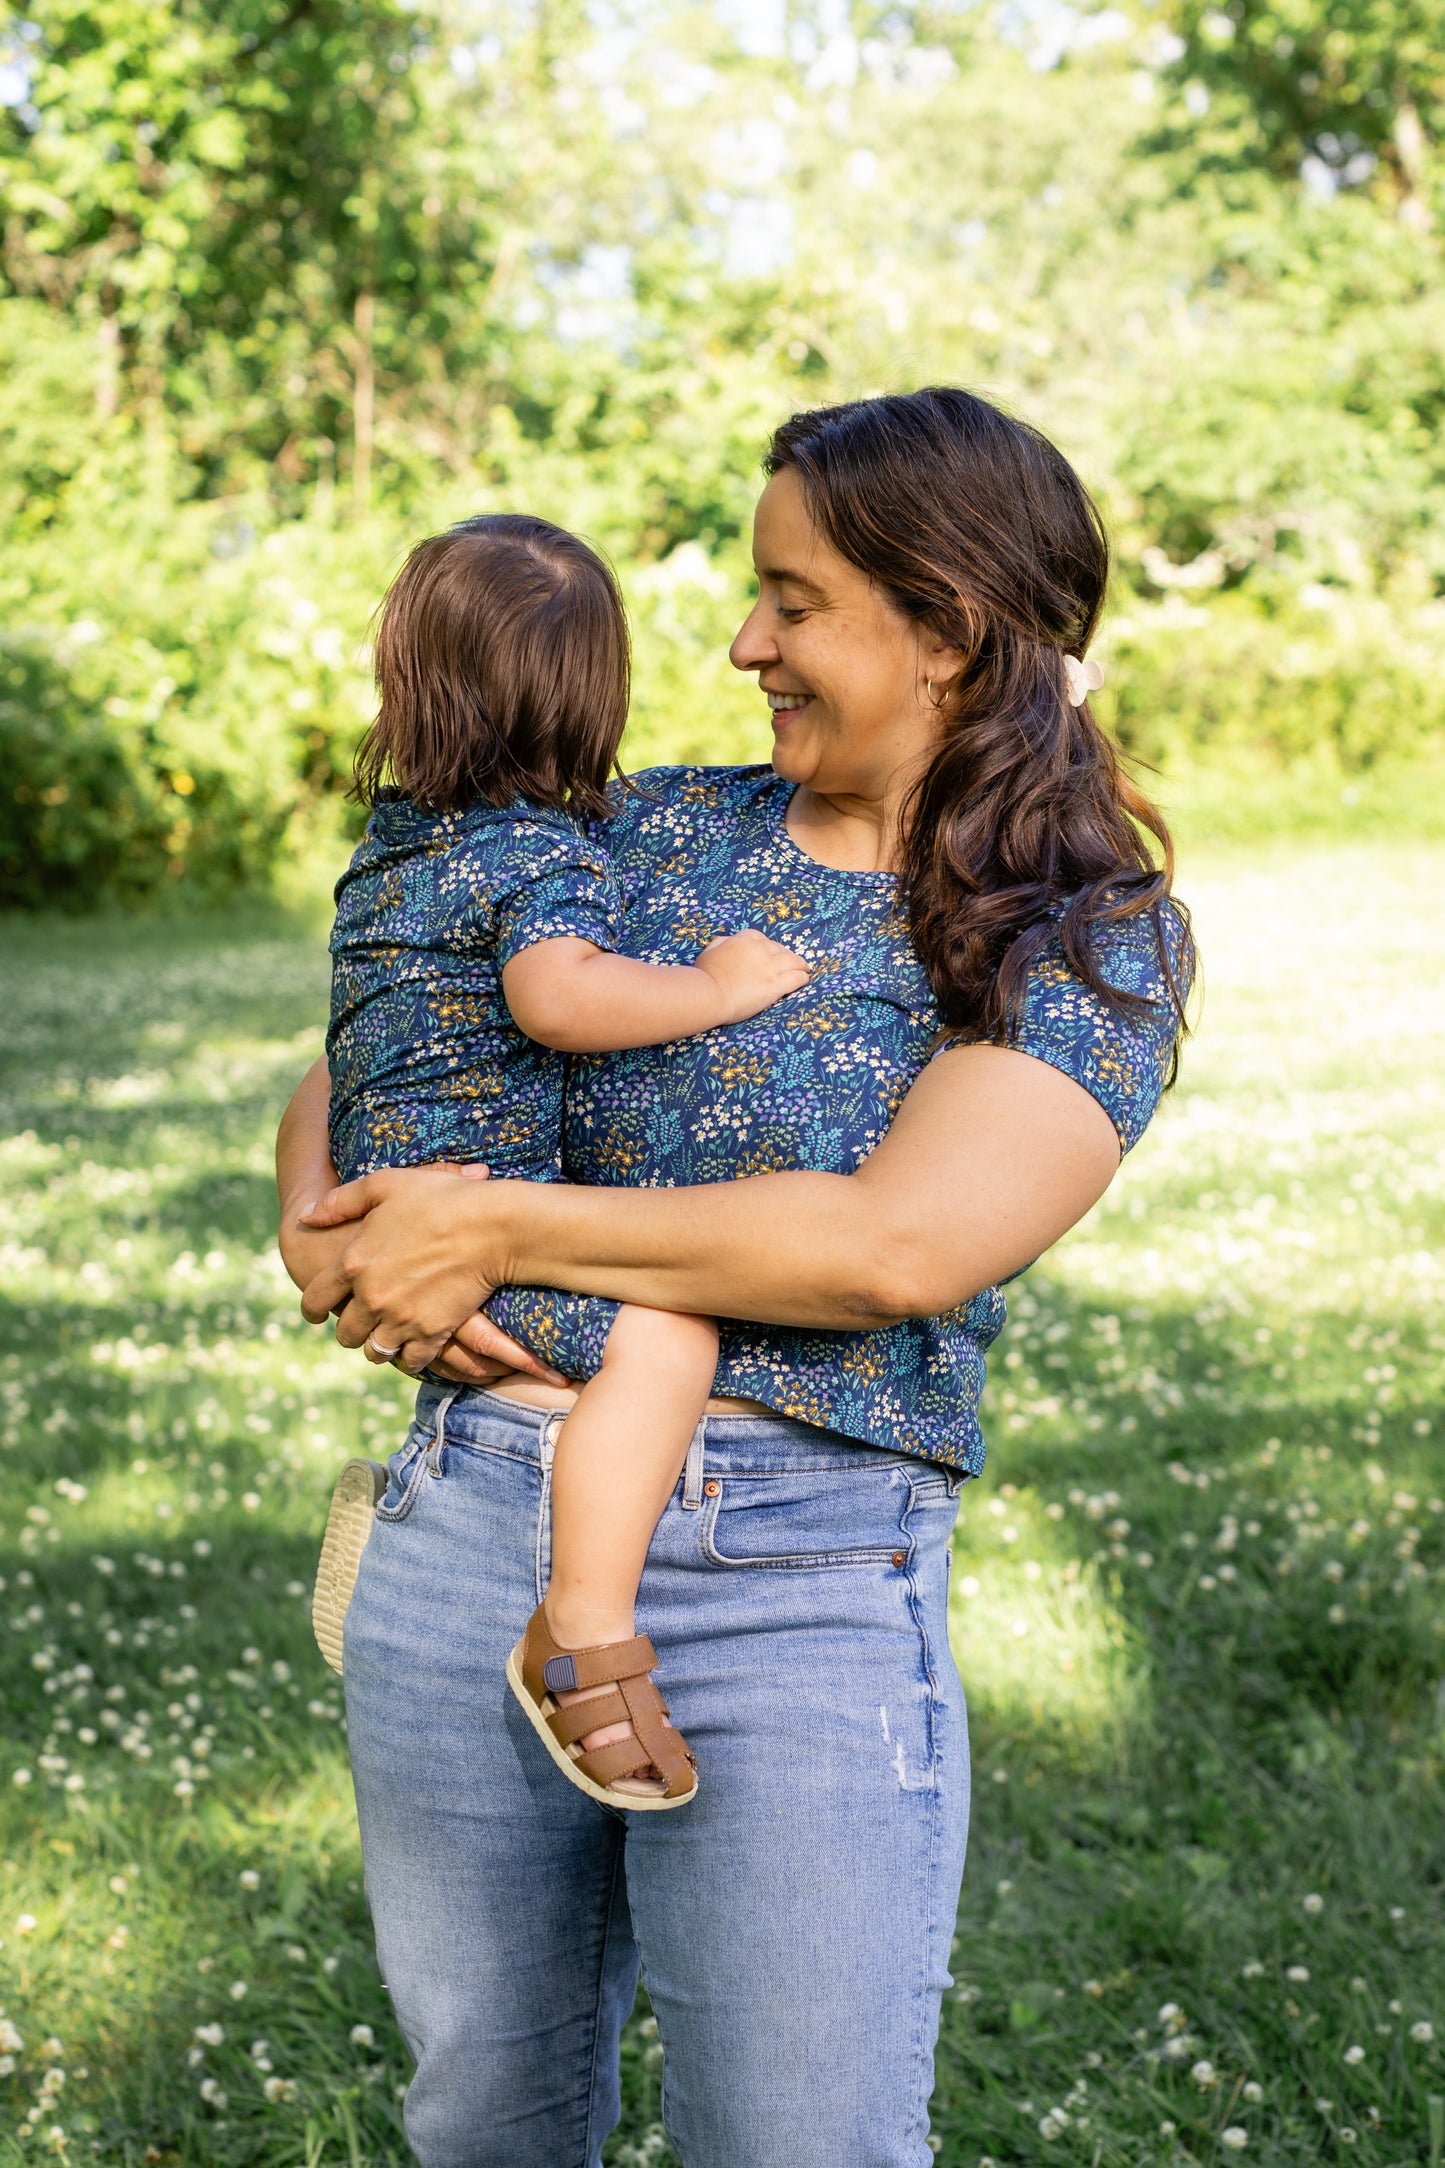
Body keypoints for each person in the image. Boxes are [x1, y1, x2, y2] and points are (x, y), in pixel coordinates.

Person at [277, 387, 1195, 2168]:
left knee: (801, 2140)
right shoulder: (649, 830)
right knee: (483, 2113)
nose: (738, 641)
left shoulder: (1075, 932)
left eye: (791, 598)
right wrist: (328, 1221)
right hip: (473, 1515)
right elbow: (374, 1036)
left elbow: (892, 1245)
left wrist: (494, 1228)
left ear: (945, 628)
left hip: (799, 1576)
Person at [317, 511, 810, 1805]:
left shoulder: (388, 848)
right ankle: (579, 1630)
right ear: (589, 699)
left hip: (388, 1190)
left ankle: (411, 1569)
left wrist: (313, 1214)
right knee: (668, 1341)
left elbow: (344, 1039)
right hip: (478, 1208)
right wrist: (711, 985)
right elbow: (557, 999)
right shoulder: (537, 852)